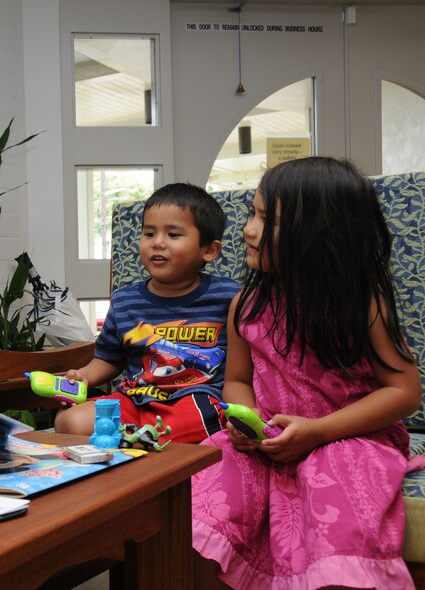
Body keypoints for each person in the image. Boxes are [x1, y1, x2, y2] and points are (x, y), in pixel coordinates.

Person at [191, 157, 422, 589]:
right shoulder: (246, 304)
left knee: (337, 503)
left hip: (349, 438)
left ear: (322, 235)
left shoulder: (361, 303)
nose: (249, 229)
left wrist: (317, 431)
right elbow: (237, 381)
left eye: (268, 220)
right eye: (252, 214)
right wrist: (248, 422)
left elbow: (404, 392)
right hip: (268, 440)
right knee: (203, 492)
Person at [55, 183, 239, 443]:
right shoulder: (125, 300)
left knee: (202, 421)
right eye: (149, 233)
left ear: (209, 250)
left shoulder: (228, 296)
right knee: (70, 421)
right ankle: (139, 440)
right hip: (135, 398)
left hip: (195, 398)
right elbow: (109, 358)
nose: (158, 243)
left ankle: (136, 441)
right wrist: (83, 376)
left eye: (173, 235)